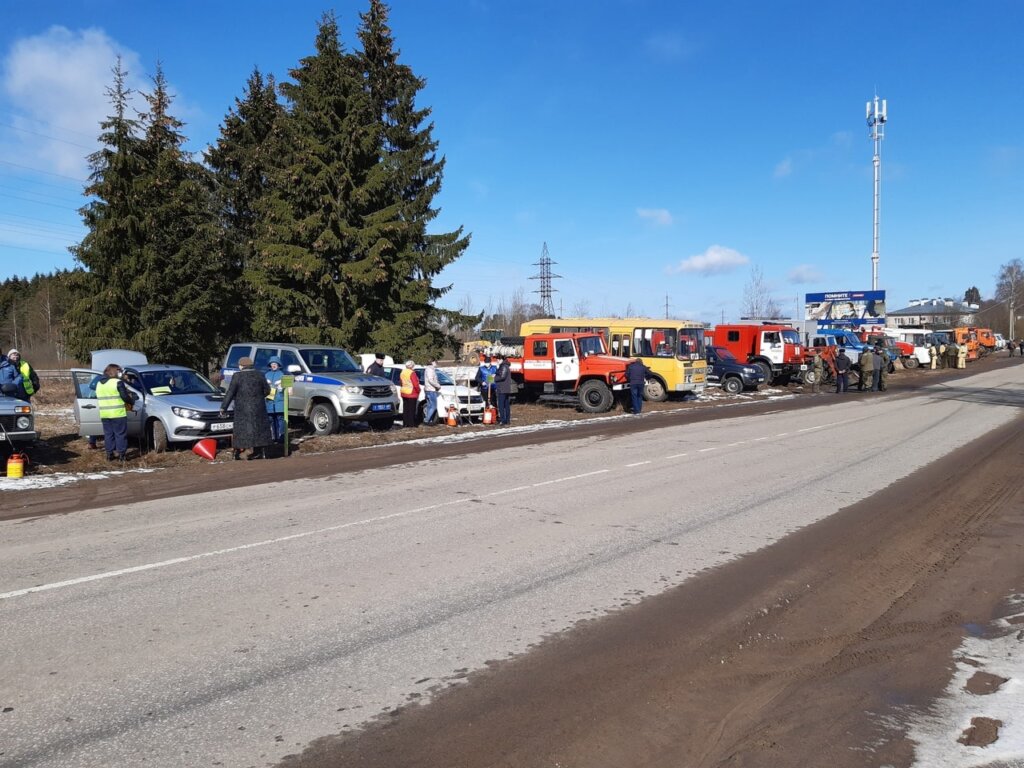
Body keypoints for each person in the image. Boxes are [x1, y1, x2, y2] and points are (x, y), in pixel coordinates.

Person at [220, 356, 273, 460]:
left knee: (242, 431)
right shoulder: (260, 375)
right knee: (259, 430)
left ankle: (238, 454)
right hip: (259, 408)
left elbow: (230, 392)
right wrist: (258, 397)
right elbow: (267, 390)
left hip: (242, 409)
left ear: (241, 366)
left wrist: (223, 407)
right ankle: (262, 452)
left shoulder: (237, 376)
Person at [95, 363, 136, 462]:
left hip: (105, 414)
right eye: (119, 371)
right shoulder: (117, 382)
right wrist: (132, 401)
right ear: (114, 371)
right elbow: (125, 397)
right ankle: (122, 455)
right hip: (118, 413)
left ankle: (109, 455)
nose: (120, 373)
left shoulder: (99, 384)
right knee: (120, 434)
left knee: (108, 434)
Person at [265, 356, 286, 444]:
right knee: (271, 419)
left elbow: (287, 388)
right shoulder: (267, 375)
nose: (273, 365)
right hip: (269, 401)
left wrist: (281, 385)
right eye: (272, 364)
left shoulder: (282, 374)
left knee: (280, 418)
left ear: (278, 365)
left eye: (275, 364)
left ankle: (282, 436)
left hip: (279, 401)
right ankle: (273, 437)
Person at [400, 360, 420, 428]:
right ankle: (411, 424)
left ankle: (405, 423)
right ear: (412, 366)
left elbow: (401, 382)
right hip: (411, 393)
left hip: (404, 392)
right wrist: (418, 391)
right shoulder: (412, 373)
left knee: (406, 409)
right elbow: (415, 384)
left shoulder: (402, 372)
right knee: (412, 409)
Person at [493, 354, 512, 425]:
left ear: (501, 360)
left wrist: (493, 378)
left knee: (501, 405)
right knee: (506, 405)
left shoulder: (503, 366)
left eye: (497, 360)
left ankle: (503, 420)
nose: (497, 361)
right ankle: (507, 420)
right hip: (505, 389)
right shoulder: (505, 366)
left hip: (502, 389)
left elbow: (502, 377)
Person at [422, 359, 442, 425]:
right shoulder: (430, 370)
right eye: (435, 362)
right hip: (431, 390)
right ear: (432, 363)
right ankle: (427, 420)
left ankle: (429, 420)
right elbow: (431, 380)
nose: (436, 364)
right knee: (433, 406)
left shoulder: (429, 369)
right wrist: (438, 386)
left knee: (429, 406)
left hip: (428, 390)